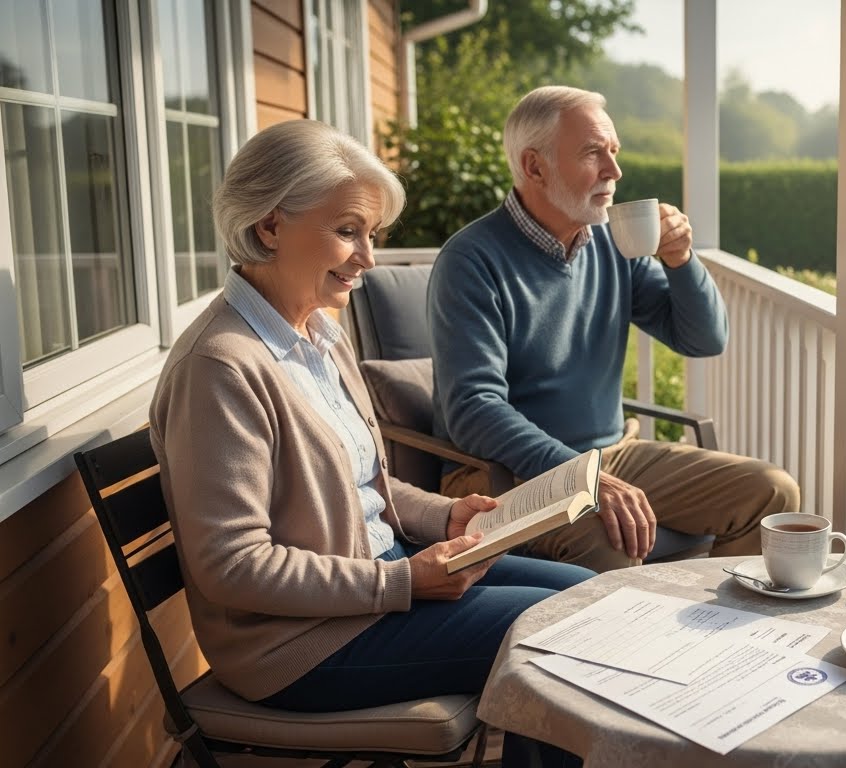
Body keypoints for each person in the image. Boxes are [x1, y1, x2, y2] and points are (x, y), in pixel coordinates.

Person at [149, 119, 590, 768]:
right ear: (270, 226)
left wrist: (445, 516)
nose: (368, 258)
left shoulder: (319, 335)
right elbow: (232, 565)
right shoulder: (221, 366)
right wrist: (401, 584)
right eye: (347, 231)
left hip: (376, 581)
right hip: (299, 646)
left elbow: (363, 485)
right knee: (556, 629)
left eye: (371, 235)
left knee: (583, 592)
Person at [430, 86, 801, 572]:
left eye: (614, 151)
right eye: (592, 153)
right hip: (500, 476)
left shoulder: (610, 244)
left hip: (609, 456)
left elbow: (703, 338)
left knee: (771, 491)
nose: (614, 171)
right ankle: (621, 648)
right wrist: (583, 478)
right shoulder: (470, 261)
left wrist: (680, 261)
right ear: (534, 166)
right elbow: (473, 408)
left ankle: (714, 634)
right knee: (607, 538)